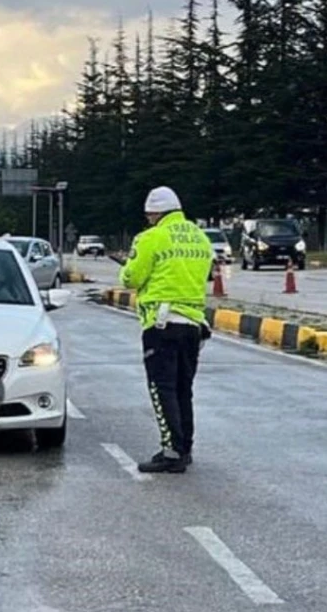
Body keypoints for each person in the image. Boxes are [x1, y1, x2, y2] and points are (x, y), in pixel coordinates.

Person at [119, 186, 215, 473]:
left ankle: (171, 452)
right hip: (193, 324)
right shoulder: (200, 237)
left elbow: (131, 278)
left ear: (155, 213)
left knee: (162, 389)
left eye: (149, 216)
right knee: (184, 389)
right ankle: (185, 448)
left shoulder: (151, 237)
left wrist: (127, 266)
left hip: (161, 324)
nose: (148, 220)